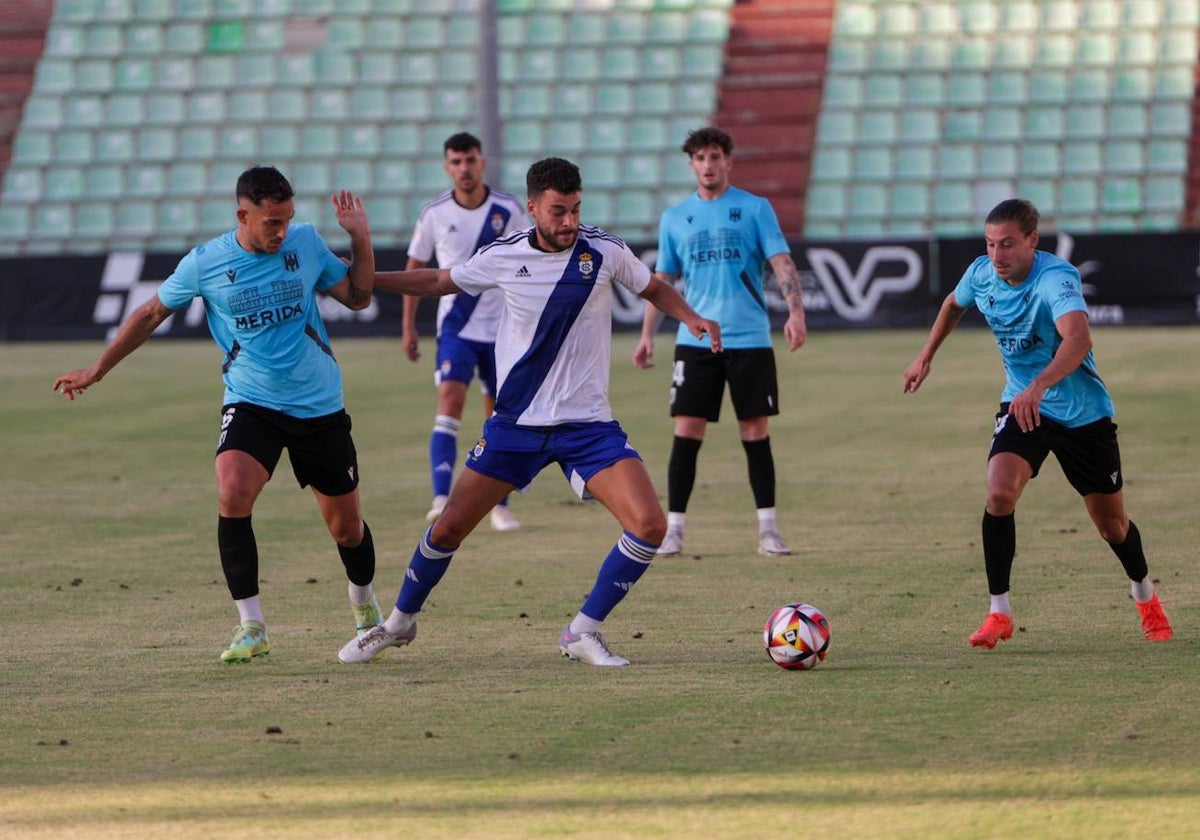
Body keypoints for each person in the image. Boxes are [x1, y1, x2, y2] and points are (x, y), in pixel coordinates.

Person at [338, 157, 722, 668]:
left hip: (587, 427)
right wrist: (366, 277)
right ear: (533, 208)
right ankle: (398, 624)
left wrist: (691, 317)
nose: (569, 222)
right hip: (515, 426)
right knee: (448, 528)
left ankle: (582, 632)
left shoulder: (603, 251)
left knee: (649, 525)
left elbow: (651, 286)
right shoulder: (504, 255)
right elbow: (436, 282)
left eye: (576, 210)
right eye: (559, 211)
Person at [52, 165, 387, 663]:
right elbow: (149, 314)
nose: (281, 231)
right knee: (232, 491)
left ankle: (365, 612)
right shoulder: (204, 263)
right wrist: (98, 369)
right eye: (271, 222)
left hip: (318, 404)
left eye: (287, 219)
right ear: (242, 215)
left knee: (346, 529)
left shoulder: (306, 244)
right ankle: (251, 625)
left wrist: (360, 238)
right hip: (251, 400)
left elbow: (358, 299)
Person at [902, 198, 1172, 648]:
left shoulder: (1055, 278)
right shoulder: (981, 274)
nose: (997, 255)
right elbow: (953, 303)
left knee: (1113, 527)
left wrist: (1040, 384)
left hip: (1083, 414)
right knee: (998, 492)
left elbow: (1079, 337)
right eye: (990, 244)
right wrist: (924, 356)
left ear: (1032, 240)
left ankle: (1145, 594)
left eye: (1007, 244)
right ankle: (998, 612)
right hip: (1023, 406)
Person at [633, 126, 808, 557]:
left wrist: (796, 312)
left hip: (748, 337)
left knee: (755, 430)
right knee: (687, 429)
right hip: (694, 340)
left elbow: (780, 261)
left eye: (714, 156)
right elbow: (663, 282)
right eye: (699, 158)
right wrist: (646, 335)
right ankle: (673, 531)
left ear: (728, 161)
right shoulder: (675, 218)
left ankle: (768, 530)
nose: (708, 165)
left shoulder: (754, 209)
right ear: (691, 164)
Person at [402, 132, 530, 531]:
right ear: (447, 167)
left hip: (503, 330)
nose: (464, 168)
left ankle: (500, 506)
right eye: (456, 162)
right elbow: (415, 269)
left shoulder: (508, 209)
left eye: (470, 160)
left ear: (482, 162)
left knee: (500, 417)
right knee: (450, 401)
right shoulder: (435, 213)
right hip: (456, 327)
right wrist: (408, 326)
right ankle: (441, 497)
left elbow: (530, 260)